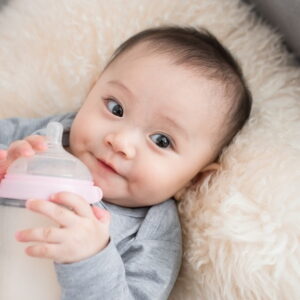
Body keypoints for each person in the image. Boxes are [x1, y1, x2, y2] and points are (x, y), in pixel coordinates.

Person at [0, 26, 252, 299]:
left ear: (192, 181)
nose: (120, 142)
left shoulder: (153, 234)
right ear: (92, 90)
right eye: (116, 108)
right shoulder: (56, 133)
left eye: (161, 140)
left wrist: (90, 258)